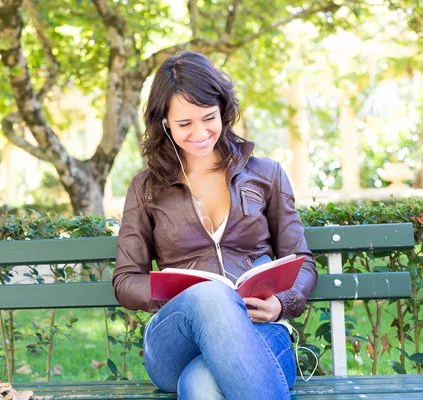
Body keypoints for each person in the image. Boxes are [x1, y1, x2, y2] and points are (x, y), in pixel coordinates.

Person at [112, 51, 318, 400]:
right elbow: (125, 280)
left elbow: (302, 260)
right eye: (184, 124)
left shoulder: (266, 175)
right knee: (210, 296)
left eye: (208, 118)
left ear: (223, 110)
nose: (200, 133)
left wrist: (282, 303)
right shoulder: (146, 188)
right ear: (164, 122)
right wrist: (184, 295)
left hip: (261, 331)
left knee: (203, 384)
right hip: (175, 339)